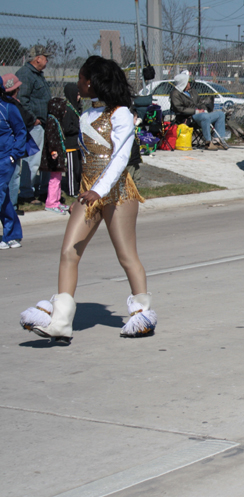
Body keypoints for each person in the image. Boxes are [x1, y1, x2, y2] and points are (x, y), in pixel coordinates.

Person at [19, 56, 157, 341]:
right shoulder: (85, 115)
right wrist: (81, 193)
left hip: (118, 193)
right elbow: (85, 161)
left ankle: (141, 315)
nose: (77, 83)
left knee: (126, 255)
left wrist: (100, 190)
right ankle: (60, 321)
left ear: (91, 81)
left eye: (81, 78)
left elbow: (119, 158)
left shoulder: (120, 113)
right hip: (89, 192)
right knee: (69, 251)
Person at [16, 45, 51, 205]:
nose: (47, 60)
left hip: (42, 123)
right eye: (45, 57)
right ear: (38, 58)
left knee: (40, 159)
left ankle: (36, 189)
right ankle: (26, 193)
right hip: (33, 124)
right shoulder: (25, 74)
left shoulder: (37, 75)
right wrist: (33, 119)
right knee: (32, 160)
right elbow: (21, 100)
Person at [2, 73, 36, 214]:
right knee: (14, 177)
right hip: (10, 150)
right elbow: (27, 121)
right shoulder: (12, 105)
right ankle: (12, 206)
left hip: (8, 150)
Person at [169, 72, 228, 151]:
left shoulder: (192, 91)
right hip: (188, 117)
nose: (190, 83)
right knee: (205, 117)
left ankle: (217, 140)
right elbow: (179, 109)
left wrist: (204, 109)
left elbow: (200, 102)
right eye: (188, 82)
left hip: (201, 115)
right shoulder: (175, 93)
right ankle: (208, 142)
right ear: (183, 83)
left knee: (220, 114)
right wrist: (196, 111)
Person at [0, 81, 26, 250]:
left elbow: (21, 132)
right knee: (4, 196)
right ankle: (12, 234)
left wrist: (12, 155)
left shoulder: (8, 109)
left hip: (4, 158)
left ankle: (11, 233)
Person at [41, 97, 71, 214]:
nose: (65, 112)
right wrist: (53, 151)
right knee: (54, 180)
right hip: (53, 155)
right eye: (63, 109)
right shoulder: (51, 121)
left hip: (58, 153)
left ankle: (57, 201)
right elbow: (50, 137)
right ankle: (51, 203)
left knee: (58, 178)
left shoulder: (57, 120)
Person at [61, 83, 82, 198]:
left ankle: (78, 187)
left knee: (78, 169)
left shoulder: (76, 107)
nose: (79, 97)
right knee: (72, 169)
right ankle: (72, 190)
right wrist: (78, 128)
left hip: (77, 144)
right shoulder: (67, 109)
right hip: (70, 144)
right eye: (77, 94)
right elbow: (67, 128)